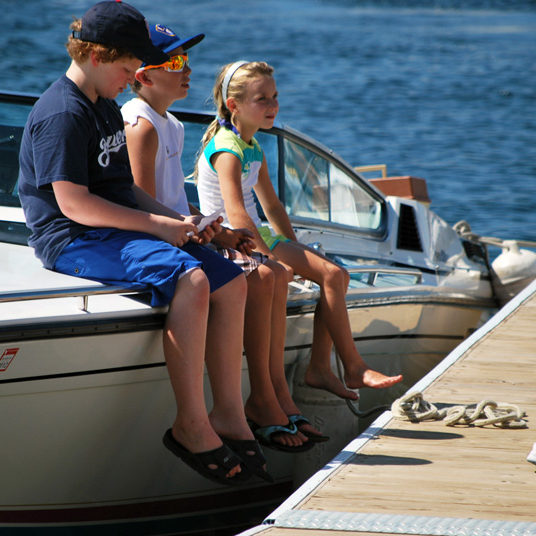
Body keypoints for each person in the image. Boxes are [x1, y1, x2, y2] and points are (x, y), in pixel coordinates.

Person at [17, 1, 260, 486]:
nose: (132, 80)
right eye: (129, 69)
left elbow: (123, 187)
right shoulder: (62, 113)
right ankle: (190, 425)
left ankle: (229, 413)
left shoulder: (103, 106)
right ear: (98, 55)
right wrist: (156, 228)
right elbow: (74, 205)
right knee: (189, 277)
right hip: (72, 238)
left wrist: (181, 220)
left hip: (110, 226)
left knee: (230, 282)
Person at [121, 23, 327, 454]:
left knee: (270, 275)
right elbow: (142, 203)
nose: (187, 70)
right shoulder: (140, 126)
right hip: (161, 237)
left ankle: (272, 395)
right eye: (175, 63)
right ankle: (258, 402)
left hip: (185, 230)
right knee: (259, 275)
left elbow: (175, 199)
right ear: (142, 76)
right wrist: (200, 230)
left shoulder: (171, 124)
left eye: (187, 61)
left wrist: (218, 231)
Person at [196, 60, 403, 405]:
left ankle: (323, 367)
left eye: (275, 97)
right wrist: (269, 256)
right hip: (232, 238)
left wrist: (294, 247)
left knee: (333, 274)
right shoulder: (226, 148)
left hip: (256, 231)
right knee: (332, 274)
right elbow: (235, 212)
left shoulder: (251, 145)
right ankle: (349, 367)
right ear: (234, 105)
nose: (273, 106)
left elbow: (273, 207)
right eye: (262, 99)